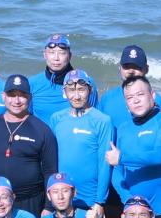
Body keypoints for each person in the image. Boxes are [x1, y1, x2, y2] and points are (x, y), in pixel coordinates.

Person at [94, 46, 161, 217]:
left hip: (151, 180)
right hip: (117, 181)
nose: (131, 71)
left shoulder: (160, 102)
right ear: (119, 68)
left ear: (146, 69)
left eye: (137, 66)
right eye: (127, 66)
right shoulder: (107, 99)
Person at [0, 74, 57, 217]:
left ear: (30, 97)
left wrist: (48, 206)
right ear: (3, 96)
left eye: (22, 95)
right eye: (11, 95)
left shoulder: (42, 130)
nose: (16, 100)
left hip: (30, 200)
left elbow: (50, 170)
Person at [105, 76, 161, 218]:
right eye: (130, 97)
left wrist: (122, 157)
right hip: (135, 210)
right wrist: (127, 198)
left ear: (152, 95)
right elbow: (116, 170)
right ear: (126, 103)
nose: (136, 100)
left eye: (140, 94)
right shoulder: (123, 129)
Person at [46, 71, 110, 217]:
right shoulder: (56, 118)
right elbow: (51, 159)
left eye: (81, 90)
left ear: (90, 90)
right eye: (71, 90)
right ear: (64, 92)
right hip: (62, 197)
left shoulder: (102, 120)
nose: (76, 96)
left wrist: (100, 201)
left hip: (90, 199)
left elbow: (105, 164)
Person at [29, 35, 74, 124]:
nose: (56, 58)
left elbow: (92, 117)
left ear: (69, 56)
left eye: (62, 53)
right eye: (51, 52)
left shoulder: (83, 83)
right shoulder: (32, 83)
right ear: (45, 55)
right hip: (41, 137)